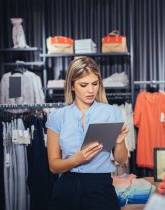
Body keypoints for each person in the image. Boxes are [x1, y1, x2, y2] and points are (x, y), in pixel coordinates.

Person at [46, 56, 129, 210]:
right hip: (66, 189)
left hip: (101, 187)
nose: (91, 90)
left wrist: (119, 142)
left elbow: (122, 159)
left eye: (95, 84)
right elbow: (53, 165)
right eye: (84, 85)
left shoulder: (112, 112)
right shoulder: (57, 116)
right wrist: (75, 160)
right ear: (72, 86)